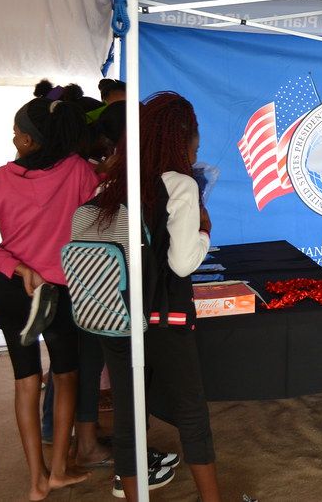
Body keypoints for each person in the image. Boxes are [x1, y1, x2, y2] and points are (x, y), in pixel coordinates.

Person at [75, 91, 221, 500]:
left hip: (116, 317)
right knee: (192, 412)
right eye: (196, 138)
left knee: (128, 415)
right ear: (184, 139)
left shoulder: (111, 188)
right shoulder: (181, 185)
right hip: (164, 319)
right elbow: (182, 263)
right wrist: (205, 230)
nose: (198, 147)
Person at [0, 96, 97, 500]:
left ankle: (35, 481)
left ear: (29, 141)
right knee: (66, 376)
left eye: (18, 130)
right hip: (59, 292)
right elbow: (99, 218)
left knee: (25, 382)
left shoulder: (0, 179)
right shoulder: (77, 171)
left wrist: (16, 267)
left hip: (12, 291)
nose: (13, 135)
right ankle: (58, 471)